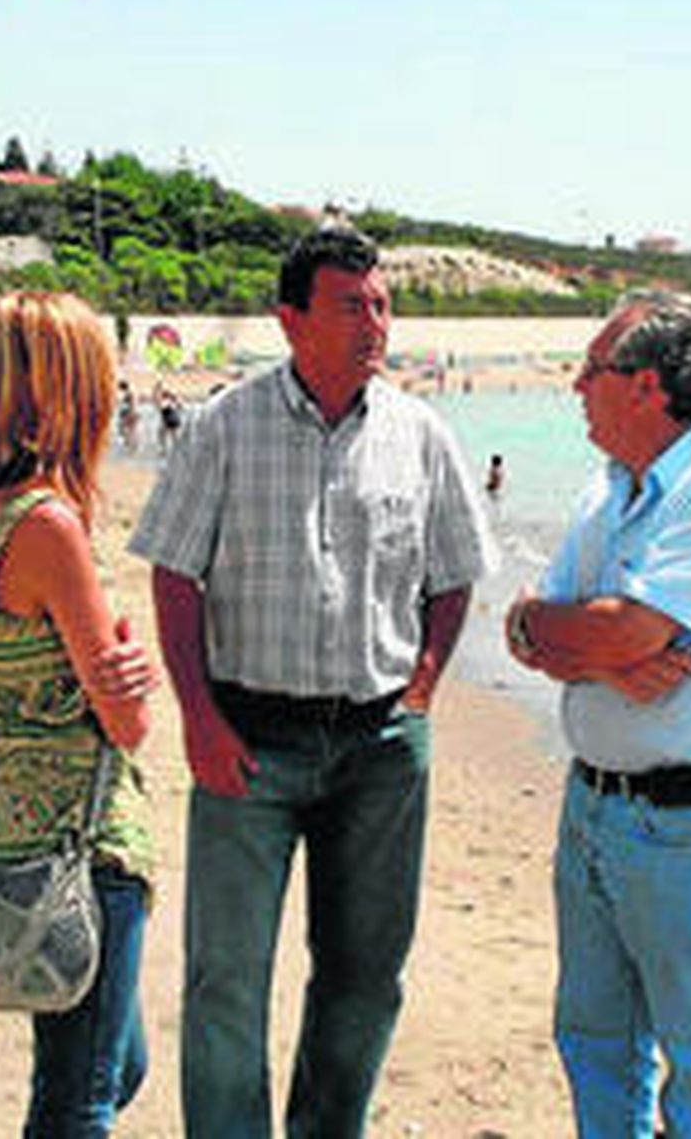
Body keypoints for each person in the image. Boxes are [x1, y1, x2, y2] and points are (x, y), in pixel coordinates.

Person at [129, 225, 496, 1138]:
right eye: (351, 304)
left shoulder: (421, 433)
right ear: (290, 319)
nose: (375, 321)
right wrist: (199, 717)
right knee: (226, 980)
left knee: (365, 974)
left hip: (379, 745)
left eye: (380, 302)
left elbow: (454, 574)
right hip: (246, 738)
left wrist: (421, 689)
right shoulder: (223, 427)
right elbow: (175, 573)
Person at [505, 290, 691, 1139]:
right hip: (593, 803)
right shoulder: (609, 491)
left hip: (689, 817)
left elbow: (625, 627)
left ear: (647, 387)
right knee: (593, 1036)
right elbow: (530, 625)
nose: (576, 387)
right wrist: (586, 644)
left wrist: (599, 637)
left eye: (593, 369)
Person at [0, 290, 159, 1135]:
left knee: (108, 1066)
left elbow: (24, 668)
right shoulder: (48, 523)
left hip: (11, 833)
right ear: (71, 393)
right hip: (84, 842)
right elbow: (127, 724)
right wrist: (132, 675)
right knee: (78, 1102)